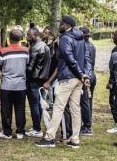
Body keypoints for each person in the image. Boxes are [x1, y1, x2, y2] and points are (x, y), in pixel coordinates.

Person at [36, 15, 90, 149]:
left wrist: (79, 73)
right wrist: (83, 75)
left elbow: (69, 58)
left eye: (61, 23)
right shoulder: (81, 38)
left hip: (68, 77)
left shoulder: (65, 38)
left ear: (67, 25)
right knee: (75, 108)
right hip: (78, 79)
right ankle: (75, 139)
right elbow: (85, 58)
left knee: (58, 107)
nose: (59, 25)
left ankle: (49, 138)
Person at [0, 28, 29, 139]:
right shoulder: (26, 51)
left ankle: (7, 132)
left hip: (7, 85)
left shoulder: (3, 51)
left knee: (6, 109)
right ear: (20, 39)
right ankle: (20, 132)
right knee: (20, 109)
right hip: (21, 85)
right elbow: (28, 64)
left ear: (9, 38)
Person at [25, 27, 51, 138]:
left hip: (34, 79)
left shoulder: (36, 47)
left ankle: (37, 129)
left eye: (29, 35)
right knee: (38, 104)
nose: (27, 37)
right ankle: (37, 127)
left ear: (35, 35)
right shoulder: (43, 45)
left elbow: (30, 67)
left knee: (34, 104)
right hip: (41, 79)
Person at [79, 26, 97, 136]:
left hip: (87, 76)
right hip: (92, 75)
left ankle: (87, 127)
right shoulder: (92, 46)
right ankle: (87, 123)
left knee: (84, 101)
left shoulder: (82, 46)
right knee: (88, 100)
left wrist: (84, 77)